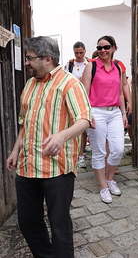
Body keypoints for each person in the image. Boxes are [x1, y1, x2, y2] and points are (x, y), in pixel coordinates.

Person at [6, 36, 91, 258]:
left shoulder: (70, 84)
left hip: (57, 170)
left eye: (30, 58)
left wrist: (62, 136)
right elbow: (25, 123)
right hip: (27, 166)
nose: (26, 62)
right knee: (27, 221)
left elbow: (84, 120)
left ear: (48, 58)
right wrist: (15, 150)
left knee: (60, 225)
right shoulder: (29, 84)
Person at [81, 35, 127, 204]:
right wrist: (87, 115)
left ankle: (109, 178)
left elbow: (120, 93)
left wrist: (123, 113)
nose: (102, 51)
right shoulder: (91, 66)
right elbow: (84, 93)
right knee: (99, 151)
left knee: (117, 149)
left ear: (114, 48)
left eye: (106, 47)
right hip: (96, 112)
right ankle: (103, 187)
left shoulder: (118, 67)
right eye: (99, 48)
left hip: (114, 112)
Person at [65, 41, 90, 168]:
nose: (79, 55)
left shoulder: (90, 64)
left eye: (81, 52)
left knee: (85, 128)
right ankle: (77, 154)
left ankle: (82, 154)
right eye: (76, 53)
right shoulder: (69, 64)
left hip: (88, 98)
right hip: (73, 97)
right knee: (75, 127)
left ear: (85, 51)